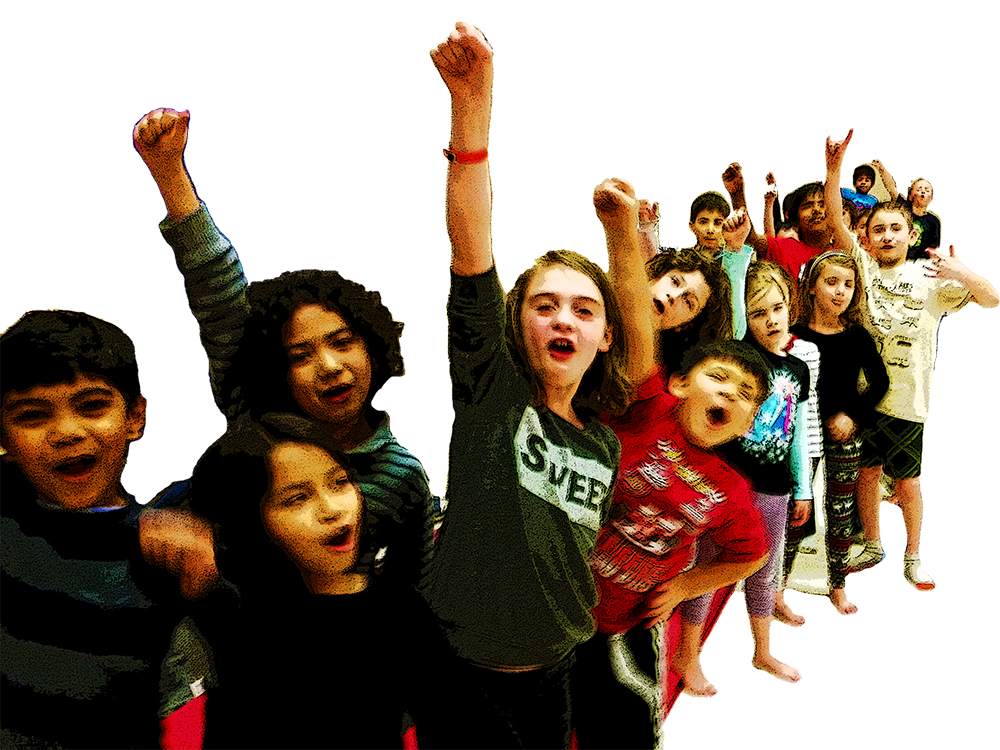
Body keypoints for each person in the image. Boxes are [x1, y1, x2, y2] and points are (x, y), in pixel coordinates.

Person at [421, 23, 627, 749]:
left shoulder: (604, 441)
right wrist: (472, 111)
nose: (563, 319)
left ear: (605, 336)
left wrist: (629, 239)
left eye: (584, 308)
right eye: (545, 305)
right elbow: (471, 247)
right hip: (459, 672)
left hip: (555, 667)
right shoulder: (494, 392)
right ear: (518, 325)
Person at [132, 108, 437, 595]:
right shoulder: (257, 421)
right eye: (301, 355)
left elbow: (416, 589)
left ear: (373, 350)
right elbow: (217, 289)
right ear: (276, 371)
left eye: (342, 342)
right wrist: (170, 172)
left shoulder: (402, 474)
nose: (330, 367)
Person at [570, 180, 769, 749]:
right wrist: (627, 234)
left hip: (627, 622)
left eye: (744, 395)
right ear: (681, 383)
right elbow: (635, 315)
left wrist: (688, 584)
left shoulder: (729, 488)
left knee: (631, 726)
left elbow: (750, 550)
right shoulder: (649, 403)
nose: (728, 395)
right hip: (559, 594)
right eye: (719, 380)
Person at [174, 413, 449, 748]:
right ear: (253, 522)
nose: (331, 509)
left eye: (339, 482)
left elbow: (454, 718)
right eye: (297, 498)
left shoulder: (400, 611)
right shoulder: (240, 620)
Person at [0, 310, 182, 748]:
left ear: (136, 417)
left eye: (92, 407)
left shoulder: (167, 550)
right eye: (31, 416)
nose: (66, 432)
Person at [827, 130, 1000, 589]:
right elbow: (836, 221)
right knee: (867, 474)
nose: (886, 235)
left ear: (912, 233)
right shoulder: (860, 267)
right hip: (865, 400)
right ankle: (871, 544)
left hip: (909, 399)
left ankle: (912, 556)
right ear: (868, 237)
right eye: (878, 229)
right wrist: (832, 170)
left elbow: (992, 299)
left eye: (895, 228)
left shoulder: (929, 274)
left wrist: (958, 269)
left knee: (908, 484)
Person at [719, 261, 813, 682]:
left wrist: (803, 488)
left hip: (776, 489)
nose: (770, 320)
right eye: (759, 313)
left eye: (776, 308)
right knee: (709, 569)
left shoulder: (798, 368)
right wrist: (736, 261)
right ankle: (686, 653)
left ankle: (763, 650)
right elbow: (736, 318)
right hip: (733, 480)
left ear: (789, 306)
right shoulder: (743, 353)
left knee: (764, 571)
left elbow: (797, 432)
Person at [790, 251, 889, 613]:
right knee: (793, 510)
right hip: (802, 436)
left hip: (846, 434)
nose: (840, 291)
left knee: (842, 512)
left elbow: (880, 383)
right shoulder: (794, 335)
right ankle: (777, 585)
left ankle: (836, 583)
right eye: (831, 283)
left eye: (848, 285)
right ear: (812, 287)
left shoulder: (857, 336)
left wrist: (852, 416)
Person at [723, 163, 840, 284]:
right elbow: (753, 239)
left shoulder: (846, 249)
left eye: (822, 204)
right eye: (808, 206)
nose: (816, 210)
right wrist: (737, 195)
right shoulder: (785, 249)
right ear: (795, 221)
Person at [873, 160, 941, 260]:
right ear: (911, 195)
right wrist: (882, 169)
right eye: (919, 189)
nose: (922, 192)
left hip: (920, 264)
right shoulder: (904, 209)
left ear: (931, 197)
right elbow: (892, 188)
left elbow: (933, 249)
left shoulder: (933, 221)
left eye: (926, 190)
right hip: (899, 259)